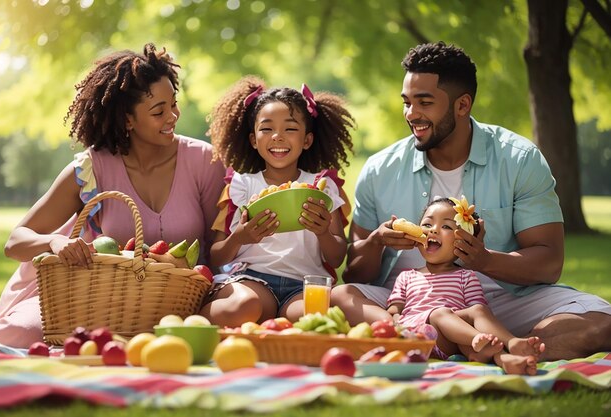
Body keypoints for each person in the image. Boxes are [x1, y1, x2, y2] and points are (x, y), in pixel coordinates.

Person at [332, 41, 611, 361]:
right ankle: (491, 346)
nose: (412, 114)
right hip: (408, 302)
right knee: (342, 296)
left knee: (602, 324)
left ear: (462, 105)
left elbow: (549, 263)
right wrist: (377, 241)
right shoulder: (380, 169)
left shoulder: (518, 159)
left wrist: (485, 260)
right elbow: (355, 274)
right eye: (407, 102)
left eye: (424, 102)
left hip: (502, 301)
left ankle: (469, 341)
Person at [0, 43, 225, 348]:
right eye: (158, 111)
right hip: (99, 299)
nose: (173, 116)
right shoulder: (91, 168)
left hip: (177, 300)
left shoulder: (203, 161)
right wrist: (54, 242)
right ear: (127, 119)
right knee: (28, 334)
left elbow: (215, 251)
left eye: (173, 104)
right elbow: (15, 242)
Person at [199, 76, 354, 327]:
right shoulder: (241, 185)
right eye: (267, 128)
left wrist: (324, 233)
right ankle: (191, 324)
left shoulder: (322, 186)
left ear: (307, 140)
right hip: (252, 280)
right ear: (253, 139)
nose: (278, 137)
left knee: (313, 318)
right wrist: (240, 237)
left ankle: (272, 327)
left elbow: (336, 258)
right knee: (245, 306)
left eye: (290, 129)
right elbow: (216, 255)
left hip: (304, 286)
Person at [387, 197, 543, 375]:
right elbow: (393, 310)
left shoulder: (466, 276)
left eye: (446, 226)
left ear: (463, 242)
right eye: (428, 224)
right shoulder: (407, 276)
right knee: (441, 313)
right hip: (419, 336)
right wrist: (395, 320)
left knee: (478, 310)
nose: (434, 231)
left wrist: (476, 330)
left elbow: (478, 313)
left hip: (455, 340)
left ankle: (508, 352)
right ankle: (479, 342)